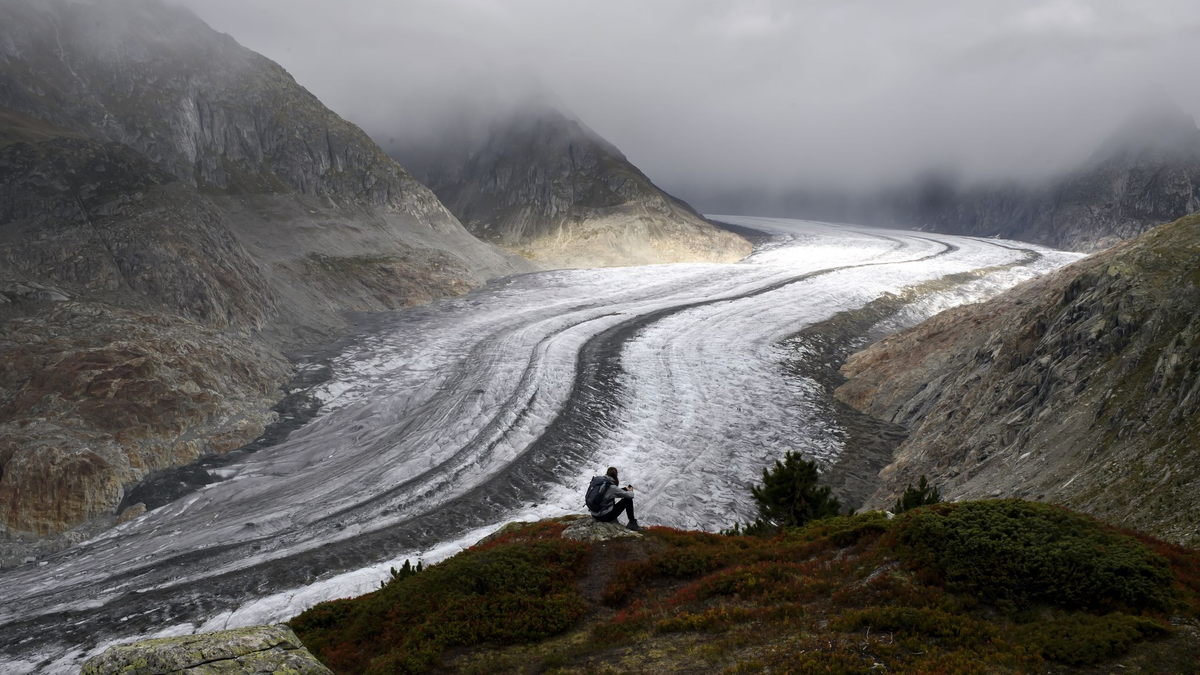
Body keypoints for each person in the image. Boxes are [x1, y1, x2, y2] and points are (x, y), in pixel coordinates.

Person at [588, 467, 639, 531]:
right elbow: (630, 496)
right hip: (604, 517)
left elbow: (610, 493)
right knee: (627, 500)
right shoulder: (611, 487)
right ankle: (632, 523)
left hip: (594, 514)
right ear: (616, 475)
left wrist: (624, 489)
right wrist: (630, 490)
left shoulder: (600, 482)